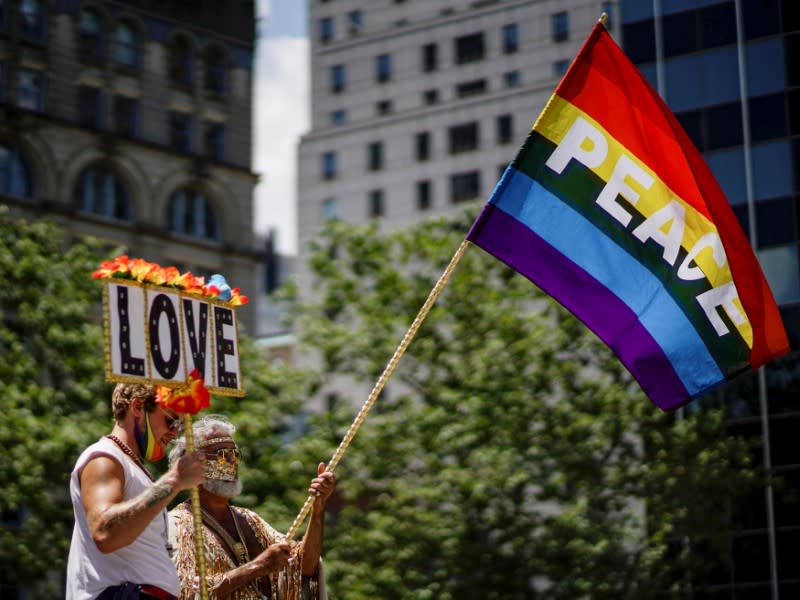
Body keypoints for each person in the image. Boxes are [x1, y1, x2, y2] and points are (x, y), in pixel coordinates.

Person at [167, 415, 336, 600]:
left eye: (235, 454)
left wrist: (318, 507)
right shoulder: (176, 524)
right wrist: (258, 567)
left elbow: (303, 567)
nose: (233, 462)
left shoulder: (249, 519)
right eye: (223, 455)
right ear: (193, 465)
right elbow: (185, 592)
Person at [66, 383, 207, 600]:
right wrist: (174, 480)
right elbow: (105, 533)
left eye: (179, 425)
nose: (174, 433)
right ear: (138, 407)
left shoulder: (134, 468)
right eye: (170, 420)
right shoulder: (104, 457)